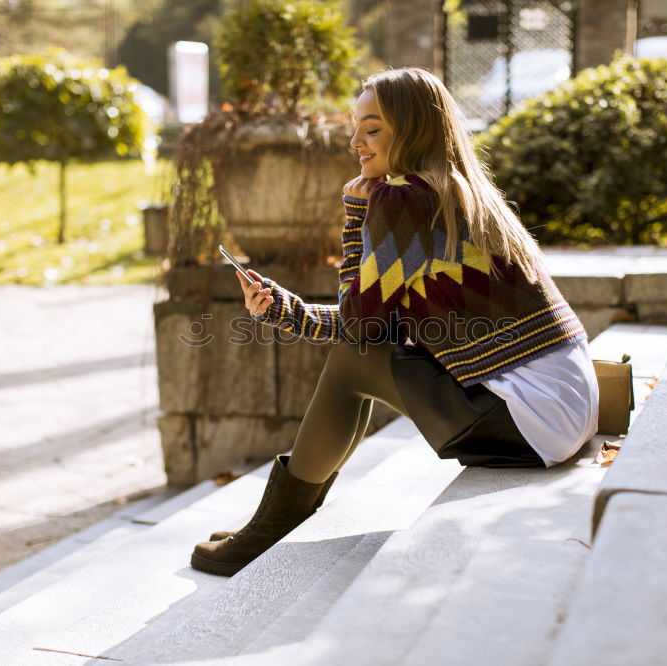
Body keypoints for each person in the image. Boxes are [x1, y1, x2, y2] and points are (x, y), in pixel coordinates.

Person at [190, 67, 599, 577]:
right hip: (564, 408)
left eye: (373, 128)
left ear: (414, 129)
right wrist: (282, 309)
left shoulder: (403, 197)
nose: (355, 142)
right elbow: (375, 324)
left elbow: (360, 330)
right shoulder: (451, 189)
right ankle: (274, 523)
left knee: (351, 362)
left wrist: (357, 217)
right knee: (359, 358)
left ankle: (269, 530)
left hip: (532, 419)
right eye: (356, 126)